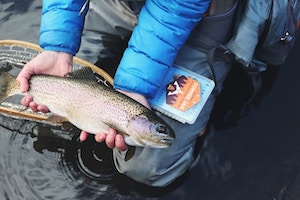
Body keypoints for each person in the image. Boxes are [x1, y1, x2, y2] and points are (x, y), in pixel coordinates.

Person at [16, 0, 237, 187]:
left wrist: (135, 88)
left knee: (149, 168)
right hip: (124, 5)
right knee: (71, 70)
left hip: (195, 20)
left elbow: (173, 10)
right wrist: (57, 46)